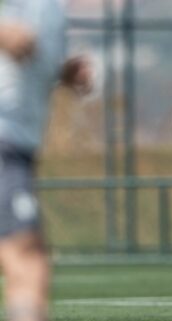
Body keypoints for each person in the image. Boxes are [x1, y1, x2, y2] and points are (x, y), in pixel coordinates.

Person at [0, 1, 91, 321]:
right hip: (5, 141)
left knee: (24, 257)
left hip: (20, 146)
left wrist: (64, 72)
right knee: (27, 258)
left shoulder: (54, 9)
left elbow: (35, 59)